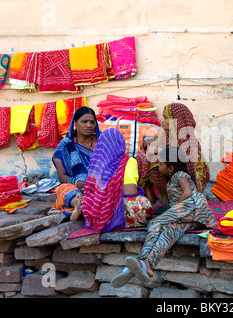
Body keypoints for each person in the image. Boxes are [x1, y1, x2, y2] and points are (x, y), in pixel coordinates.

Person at [111, 146, 216, 287]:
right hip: (189, 219)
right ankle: (146, 264)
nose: (158, 166)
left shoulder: (180, 175)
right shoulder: (171, 180)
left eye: (160, 164)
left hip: (193, 207)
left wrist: (174, 211)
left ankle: (138, 263)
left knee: (155, 224)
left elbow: (187, 193)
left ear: (171, 168)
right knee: (167, 233)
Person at [136, 103, 209, 205]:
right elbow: (160, 144)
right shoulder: (166, 133)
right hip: (172, 171)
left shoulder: (187, 139)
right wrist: (149, 143)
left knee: (156, 160)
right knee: (143, 155)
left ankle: (169, 201)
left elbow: (179, 157)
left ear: (176, 121)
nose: (162, 120)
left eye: (165, 117)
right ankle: (153, 197)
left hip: (186, 178)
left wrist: (158, 150)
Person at [81, 127, 152, 233]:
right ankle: (122, 221)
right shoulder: (128, 161)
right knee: (144, 202)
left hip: (96, 212)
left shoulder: (96, 162)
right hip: (118, 213)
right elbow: (130, 192)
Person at [51, 106, 101, 219]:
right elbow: (61, 176)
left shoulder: (103, 141)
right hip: (78, 188)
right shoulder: (65, 146)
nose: (89, 125)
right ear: (75, 123)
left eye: (92, 122)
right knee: (63, 188)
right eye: (84, 121)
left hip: (100, 186)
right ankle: (77, 203)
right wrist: (80, 183)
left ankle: (87, 205)